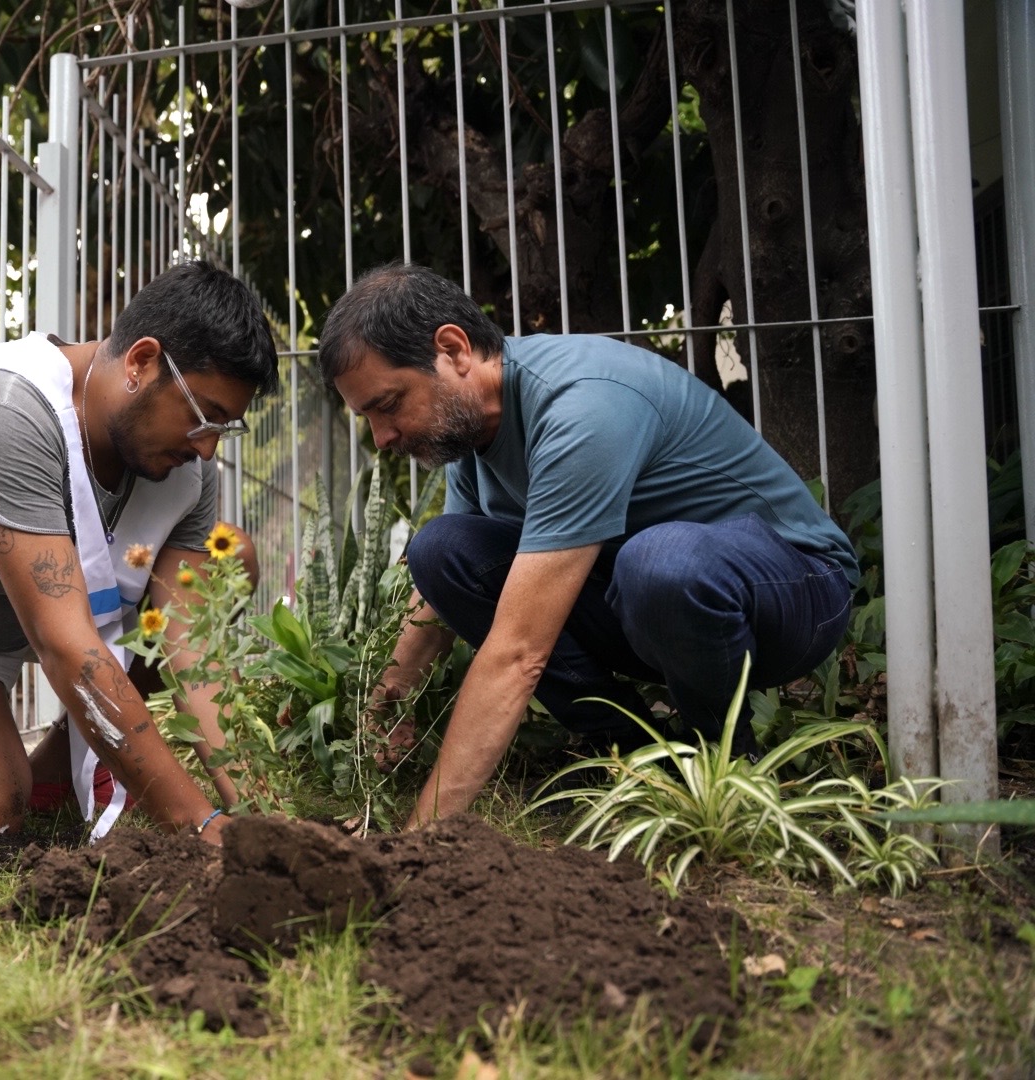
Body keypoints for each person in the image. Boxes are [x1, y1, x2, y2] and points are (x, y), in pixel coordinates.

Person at [317, 263, 858, 828]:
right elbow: (443, 587)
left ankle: (721, 763)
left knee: (659, 563)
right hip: (651, 606)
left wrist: (418, 836)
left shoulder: (580, 407)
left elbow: (518, 650)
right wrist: (391, 692)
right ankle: (631, 756)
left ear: (452, 349)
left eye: (388, 404)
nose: (382, 437)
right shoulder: (472, 428)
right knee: (440, 550)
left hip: (795, 593)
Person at [0, 261, 278, 844]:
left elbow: (187, 642)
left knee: (226, 562)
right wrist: (197, 822)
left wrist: (258, 812)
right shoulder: (7, 412)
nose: (209, 448)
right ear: (141, 362)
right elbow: (65, 646)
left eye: (225, 426)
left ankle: (57, 767)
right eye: (203, 417)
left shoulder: (186, 470)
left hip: (33, 613)